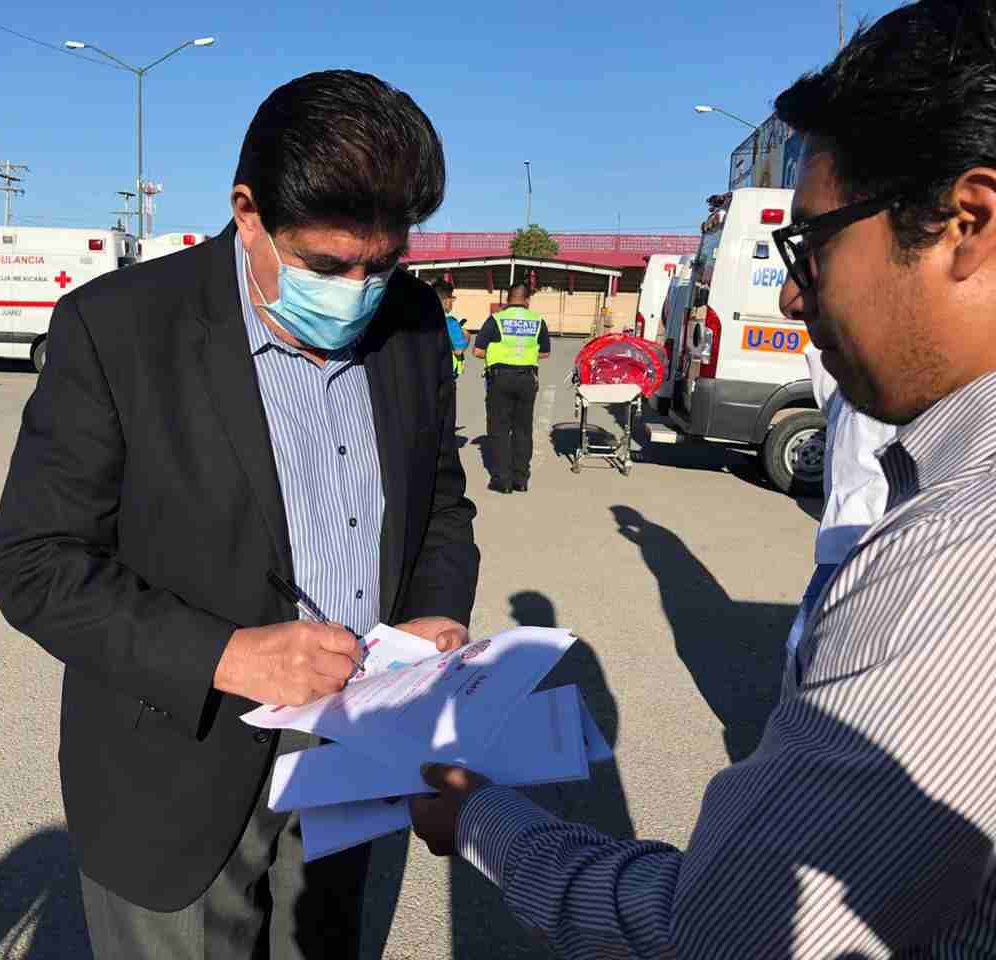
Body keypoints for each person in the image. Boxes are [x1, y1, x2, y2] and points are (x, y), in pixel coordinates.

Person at [410, 2, 996, 955]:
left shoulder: (960, 553)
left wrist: (484, 821)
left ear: (967, 221)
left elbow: (723, 932)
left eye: (811, 246)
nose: (794, 295)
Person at [0, 70, 480, 960]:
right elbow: (35, 562)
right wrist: (230, 655)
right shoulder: (119, 327)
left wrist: (436, 614)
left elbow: (440, 500)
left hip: (354, 756)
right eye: (326, 266)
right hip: (179, 766)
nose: (359, 290)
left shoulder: (411, 323)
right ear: (248, 213)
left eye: (382, 263)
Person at [784, 345, 896, 661]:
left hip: (868, 534)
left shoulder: (893, 391)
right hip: (848, 536)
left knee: (812, 640)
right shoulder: (847, 392)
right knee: (808, 641)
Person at [472, 280, 550, 493]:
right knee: (523, 429)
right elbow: (545, 352)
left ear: (507, 299)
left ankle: (502, 480)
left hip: (500, 379)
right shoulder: (537, 321)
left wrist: (499, 353)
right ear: (527, 300)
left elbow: (478, 351)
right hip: (527, 379)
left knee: (499, 429)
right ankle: (520, 479)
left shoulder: (496, 320)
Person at [433, 279, 470, 378]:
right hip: (444, 375)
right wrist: (467, 336)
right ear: (445, 300)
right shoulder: (450, 323)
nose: (452, 302)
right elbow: (459, 350)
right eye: (452, 298)